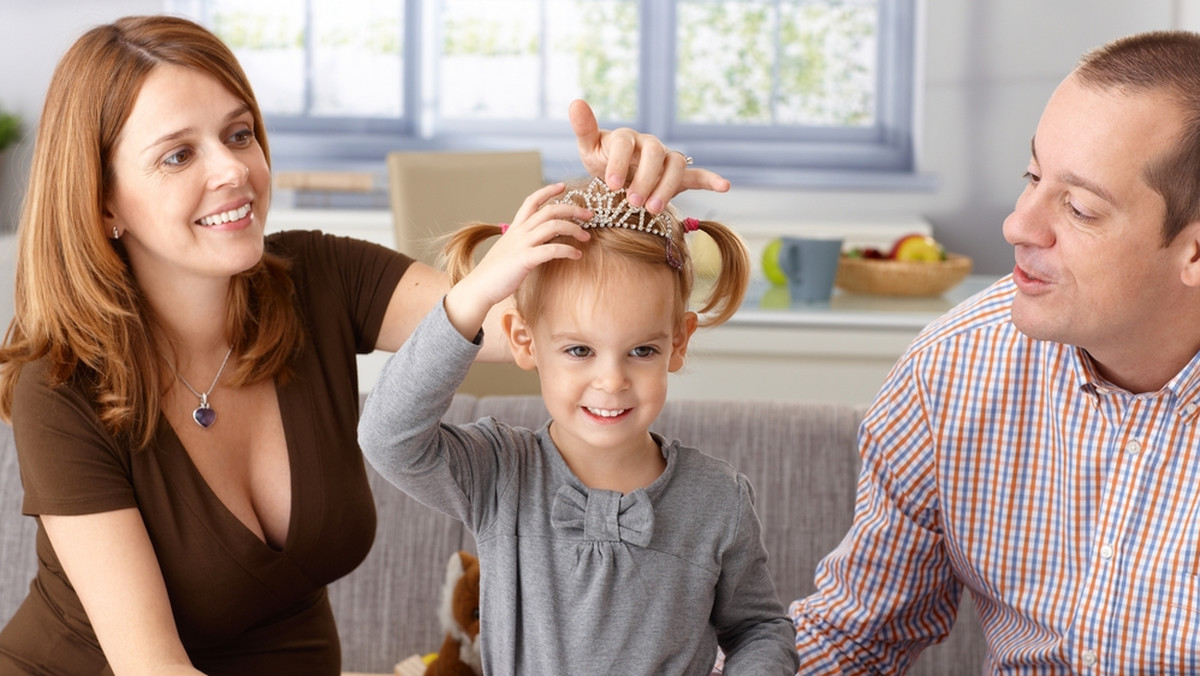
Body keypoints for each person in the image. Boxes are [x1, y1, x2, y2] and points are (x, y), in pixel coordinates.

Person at [0, 14, 729, 675]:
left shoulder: (318, 276)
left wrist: (616, 202)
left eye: (239, 133)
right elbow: (152, 669)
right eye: (175, 156)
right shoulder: (60, 384)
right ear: (102, 201)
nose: (233, 172)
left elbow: (544, 329)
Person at [789, 29, 1200, 674]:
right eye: (1032, 176)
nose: (1018, 225)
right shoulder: (954, 367)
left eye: (1081, 209)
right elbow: (852, 636)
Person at [356, 176, 799, 674]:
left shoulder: (720, 499)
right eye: (579, 350)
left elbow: (760, 628)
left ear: (677, 343)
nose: (611, 381)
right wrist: (473, 296)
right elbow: (387, 436)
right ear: (524, 342)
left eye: (641, 350)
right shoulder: (499, 473)